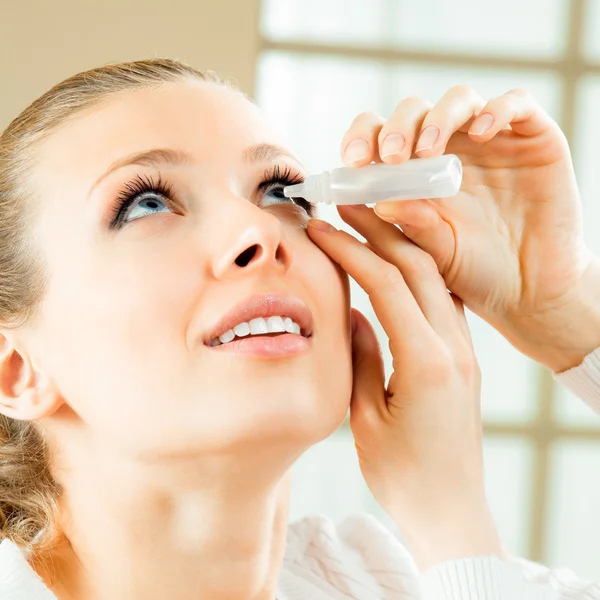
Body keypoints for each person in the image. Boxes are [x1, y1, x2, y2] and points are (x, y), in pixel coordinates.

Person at [0, 58, 597, 600]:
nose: (259, 230)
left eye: (279, 191)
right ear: (16, 370)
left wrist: (564, 313)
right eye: (146, 204)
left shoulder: (394, 575)